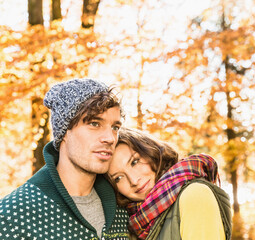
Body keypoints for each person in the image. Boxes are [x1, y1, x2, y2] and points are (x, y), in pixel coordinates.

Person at [0, 78, 130, 239]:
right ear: (64, 133)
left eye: (115, 127)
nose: (110, 138)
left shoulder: (123, 205)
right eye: (95, 124)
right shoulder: (12, 217)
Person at [107, 128, 232, 240]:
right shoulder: (130, 221)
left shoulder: (195, 195)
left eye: (134, 162)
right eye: (118, 178)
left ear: (151, 152)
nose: (133, 180)